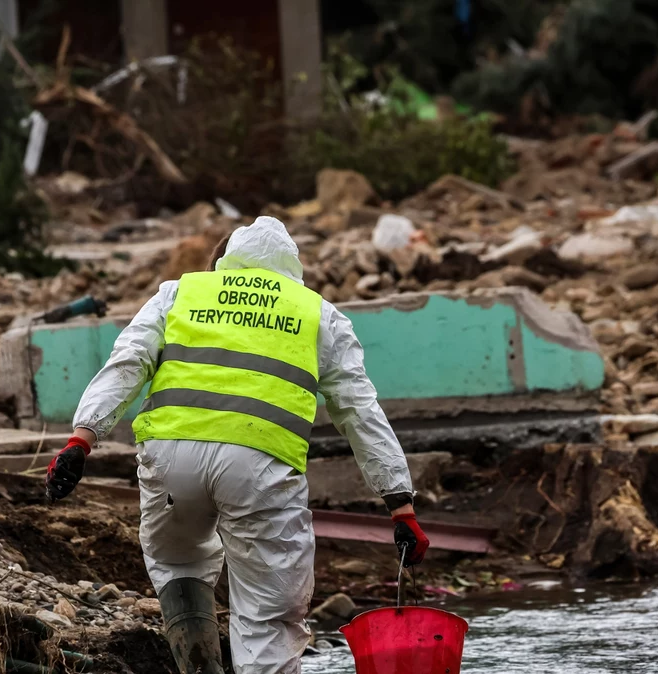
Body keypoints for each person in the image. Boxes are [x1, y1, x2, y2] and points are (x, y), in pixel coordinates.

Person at [43, 217, 429, 674]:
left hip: (171, 459)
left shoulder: (180, 293)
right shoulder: (318, 314)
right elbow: (360, 414)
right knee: (267, 615)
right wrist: (399, 503)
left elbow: (127, 364)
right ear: (292, 267)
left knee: (177, 560)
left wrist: (81, 439)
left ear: (228, 260)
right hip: (259, 469)